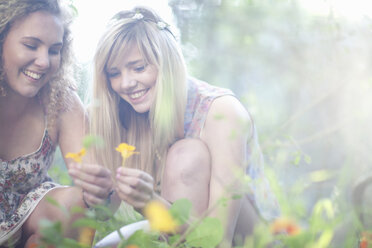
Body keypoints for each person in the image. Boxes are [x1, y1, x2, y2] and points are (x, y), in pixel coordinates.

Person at [71, 6, 280, 246]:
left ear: (166, 63)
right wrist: (99, 193)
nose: (126, 83)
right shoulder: (123, 114)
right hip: (183, 233)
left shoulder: (221, 110)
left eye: (139, 68)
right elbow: (100, 217)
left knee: (186, 154)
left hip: (250, 238)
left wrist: (149, 202)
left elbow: (218, 238)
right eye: (114, 73)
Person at [0, 0, 112, 247]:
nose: (44, 61)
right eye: (31, 45)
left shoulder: (60, 99)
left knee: (79, 202)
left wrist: (103, 190)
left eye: (54, 50)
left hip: (31, 221)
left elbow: (100, 202)